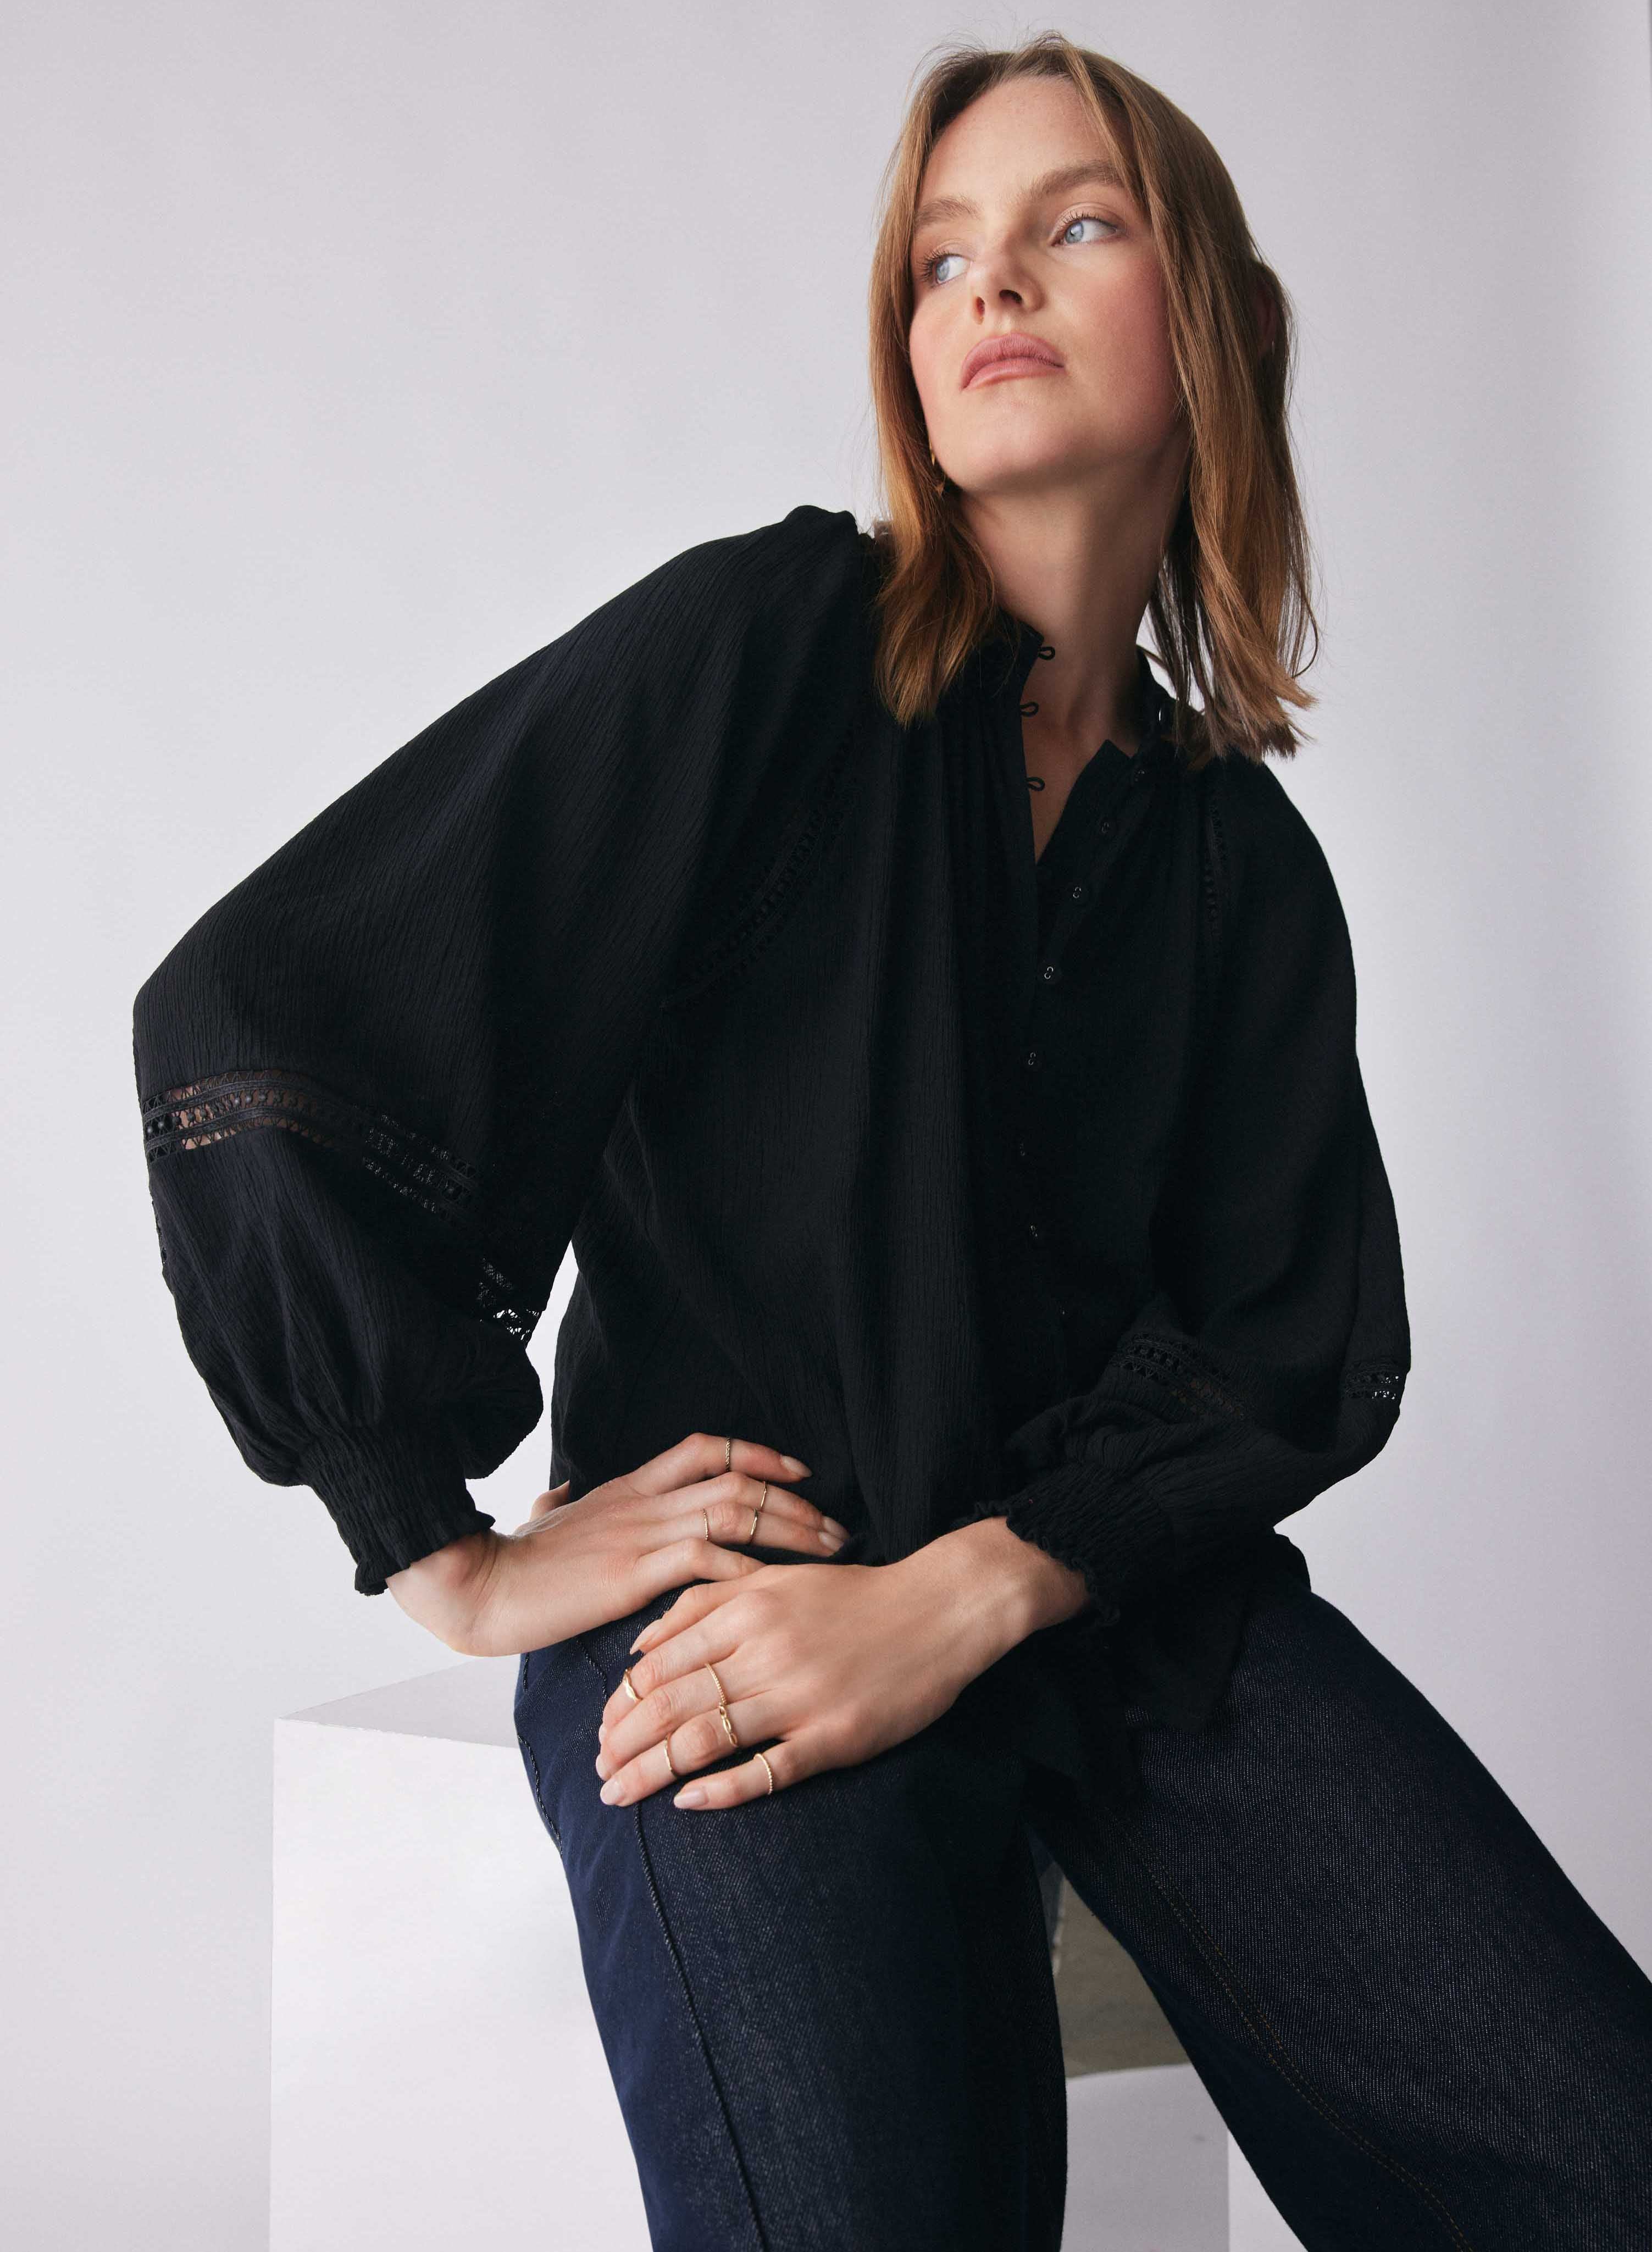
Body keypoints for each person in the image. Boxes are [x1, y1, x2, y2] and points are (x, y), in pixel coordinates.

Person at [132, 31, 1652, 2251]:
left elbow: (1279, 1339)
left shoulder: (1237, 861)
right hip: (737, 1610)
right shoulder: (769, 646)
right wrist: (437, 1544)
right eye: (940, 255)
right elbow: (256, 1007)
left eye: (1073, 224)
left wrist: (973, 1589)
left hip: (1129, 1613)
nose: (989, 283)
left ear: (1220, 323)